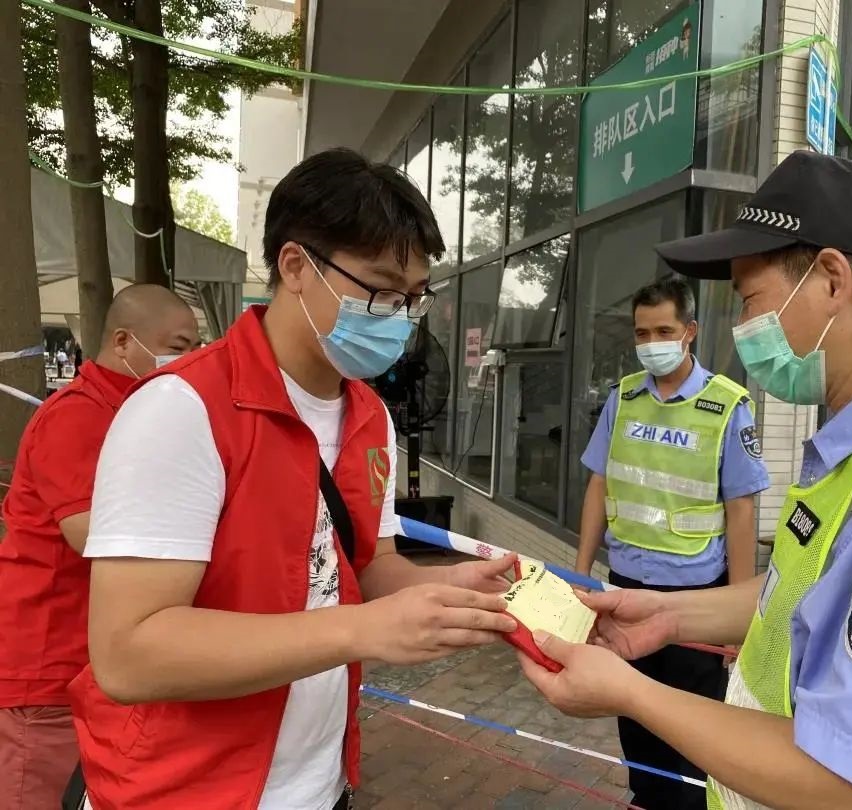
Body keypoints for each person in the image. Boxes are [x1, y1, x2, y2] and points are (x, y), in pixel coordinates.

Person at [518, 151, 852, 810]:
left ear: (832, 280)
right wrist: (668, 614)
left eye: (750, 301)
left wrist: (630, 691)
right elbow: (807, 598)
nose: (744, 330)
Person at [67, 148, 517, 810]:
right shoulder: (181, 411)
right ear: (296, 265)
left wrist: (449, 587)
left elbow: (365, 568)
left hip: (319, 781)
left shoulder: (369, 417)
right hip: (183, 790)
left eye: (414, 298)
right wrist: (358, 631)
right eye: (381, 289)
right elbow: (129, 652)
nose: (398, 316)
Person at [0, 284, 199, 810]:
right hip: (48, 670)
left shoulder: (142, 414)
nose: (190, 361)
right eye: (179, 346)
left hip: (101, 666)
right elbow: (96, 536)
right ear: (123, 342)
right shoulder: (79, 416)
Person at [575, 277, 769, 808]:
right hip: (626, 588)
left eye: (663, 329)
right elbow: (599, 483)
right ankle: (644, 795)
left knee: (691, 726)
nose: (651, 341)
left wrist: (738, 609)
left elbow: (742, 510)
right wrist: (581, 569)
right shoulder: (625, 398)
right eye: (642, 332)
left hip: (695, 598)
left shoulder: (726, 406)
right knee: (633, 713)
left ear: (690, 332)